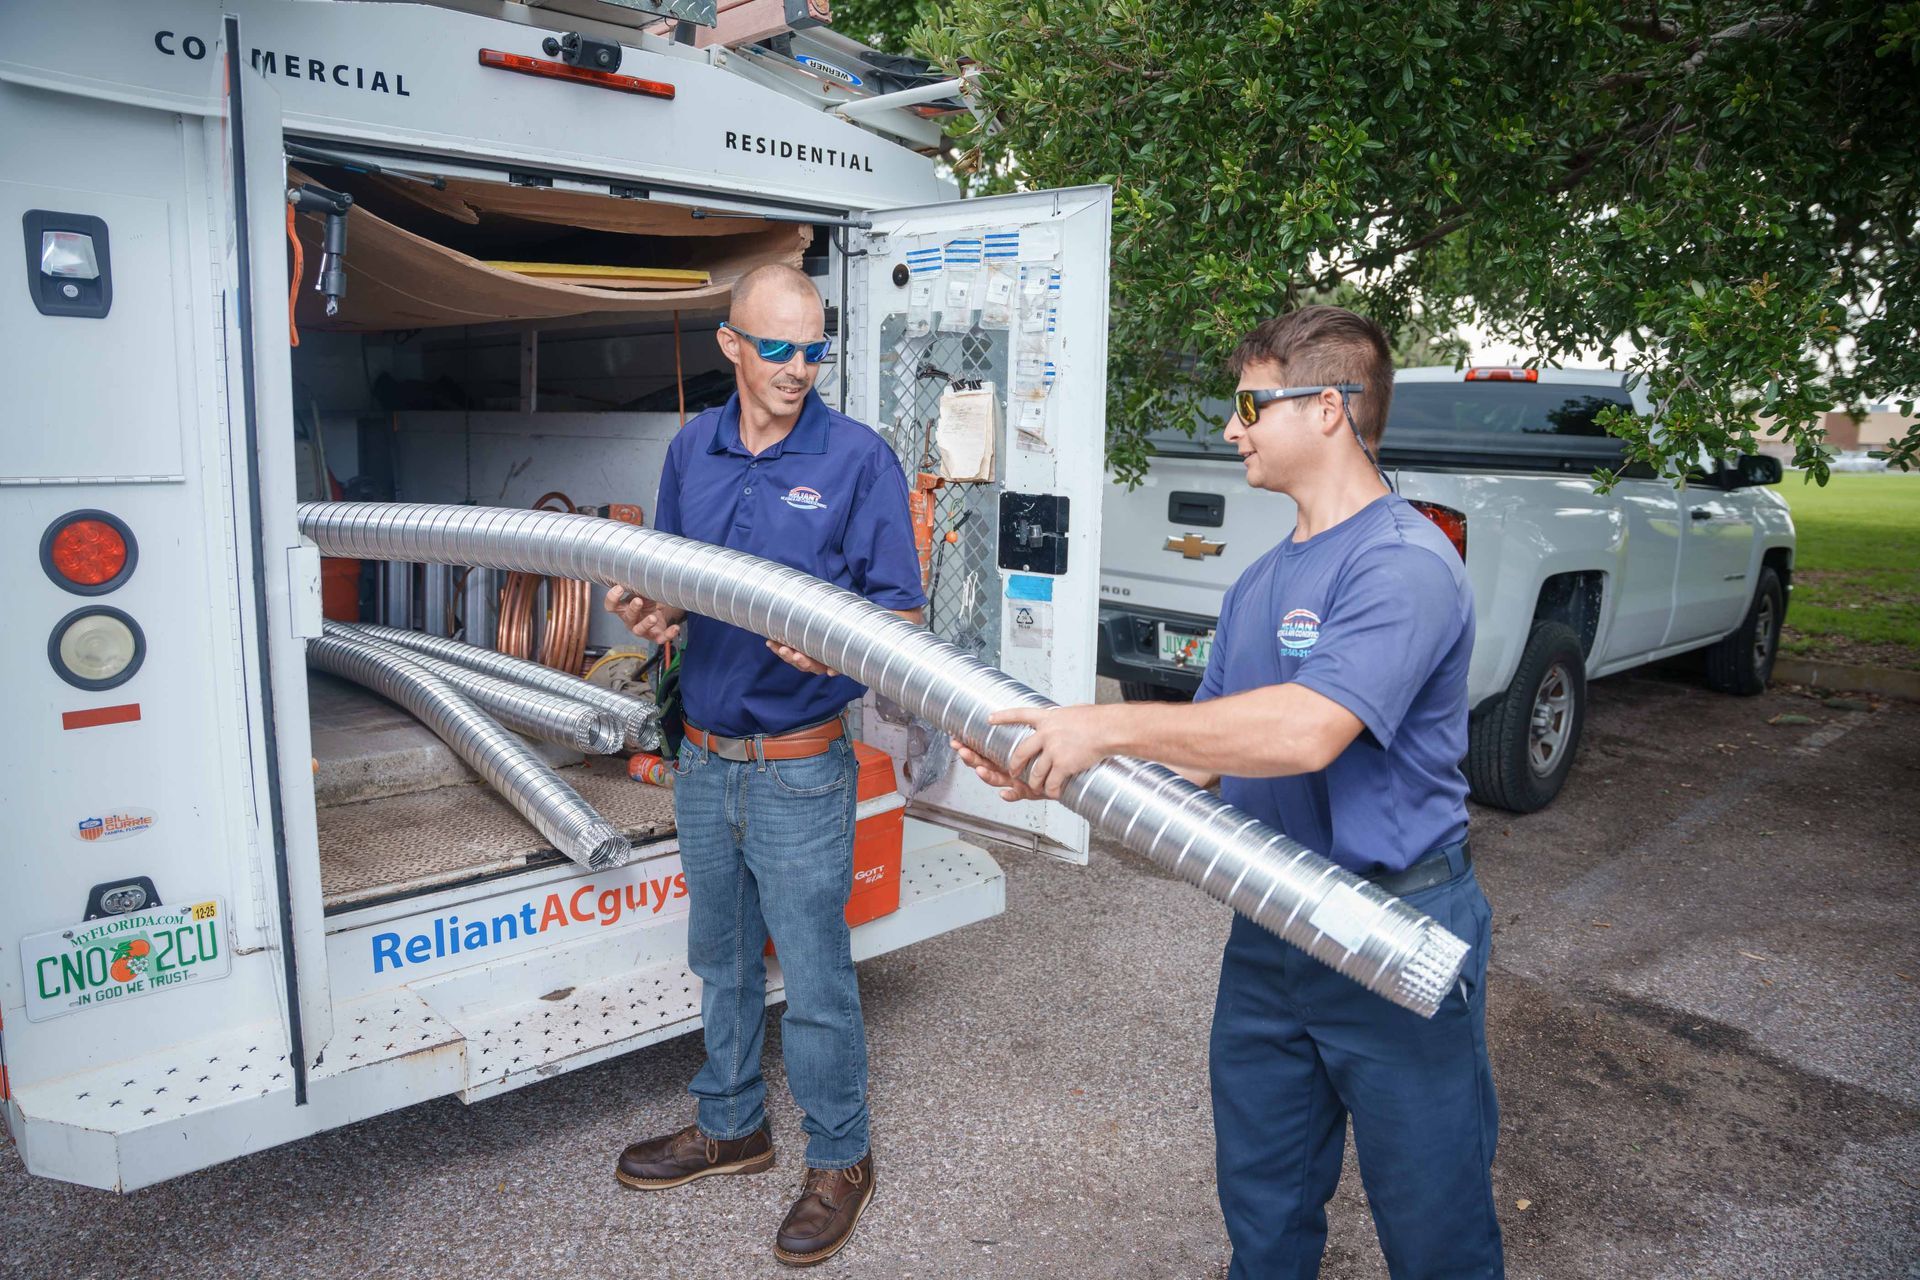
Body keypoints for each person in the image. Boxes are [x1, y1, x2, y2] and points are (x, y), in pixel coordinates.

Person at [957, 306, 1504, 1278]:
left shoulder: (1406, 561)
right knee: (1265, 1213)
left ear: (1330, 407)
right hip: (1270, 933)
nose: (1230, 427)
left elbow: (1304, 730)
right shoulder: (1258, 583)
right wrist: (1058, 760)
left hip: (1391, 928)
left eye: (1251, 402)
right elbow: (1205, 758)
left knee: (1437, 1234)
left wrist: (1104, 721)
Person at [606, 264, 925, 1267]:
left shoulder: (857, 458)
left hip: (798, 765)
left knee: (818, 978)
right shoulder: (690, 448)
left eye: (814, 348)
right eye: (777, 347)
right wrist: (650, 610)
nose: (798, 367)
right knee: (723, 961)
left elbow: (904, 618)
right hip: (704, 755)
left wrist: (839, 644)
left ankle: (842, 1156)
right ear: (730, 344)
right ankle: (731, 1125)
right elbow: (672, 585)